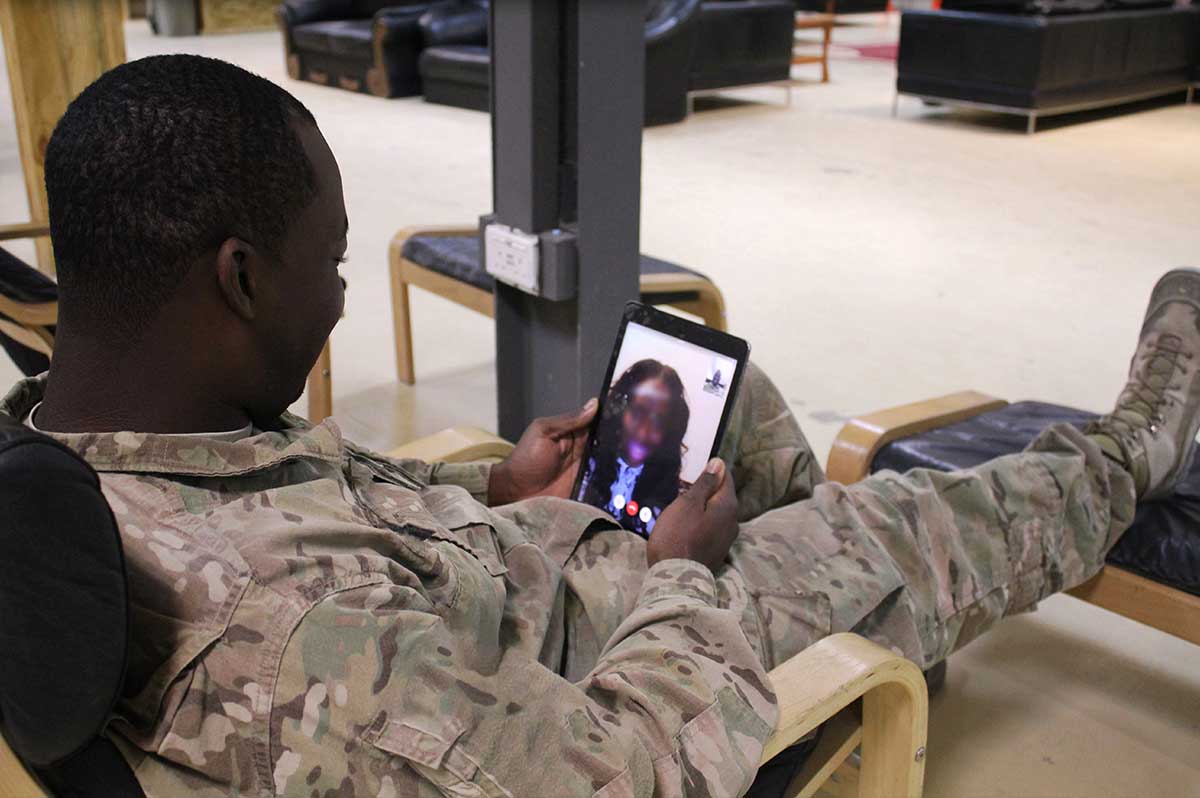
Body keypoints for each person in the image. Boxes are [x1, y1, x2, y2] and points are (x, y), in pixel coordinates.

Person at [3, 53, 1197, 798]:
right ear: (242, 279)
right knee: (923, 516)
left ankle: (858, 569)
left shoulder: (82, 439)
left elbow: (296, 508)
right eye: (334, 261)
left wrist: (494, 493)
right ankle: (1134, 447)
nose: (346, 293)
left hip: (512, 577)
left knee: (738, 399)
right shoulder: (301, 650)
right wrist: (681, 579)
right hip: (622, 655)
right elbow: (626, 777)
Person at [577, 359, 690, 536]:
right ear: (622, 409)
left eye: (658, 421)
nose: (643, 432)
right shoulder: (582, 466)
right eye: (638, 412)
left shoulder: (674, 503)